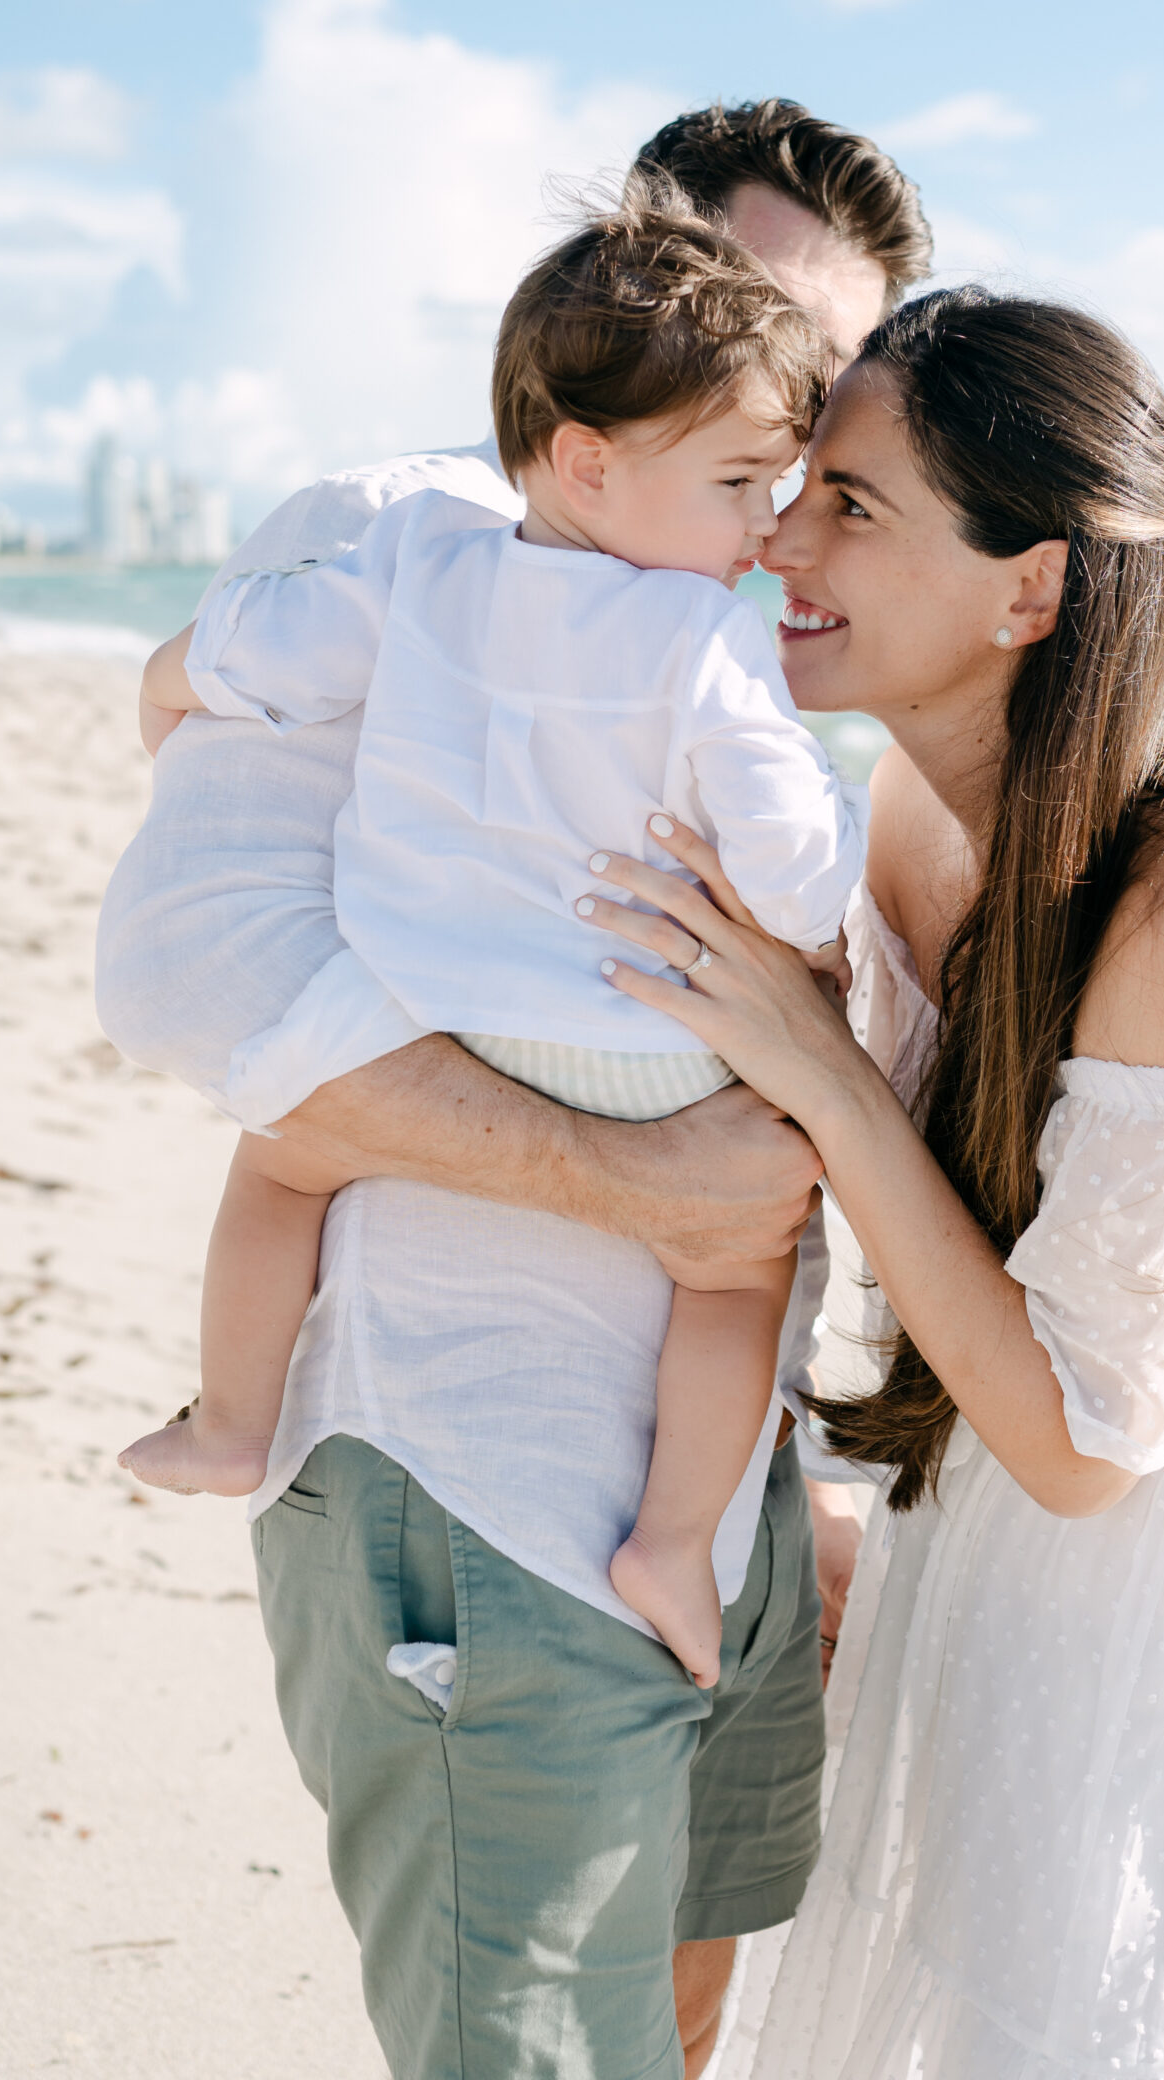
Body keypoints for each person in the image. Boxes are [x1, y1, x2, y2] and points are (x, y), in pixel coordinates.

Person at [93, 99, 929, 2080]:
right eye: (763, 346)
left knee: (680, 2018)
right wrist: (641, 1182)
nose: (797, 447)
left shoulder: (736, 597)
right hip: (475, 1472)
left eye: (833, 398)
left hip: (697, 1504)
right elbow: (193, 962)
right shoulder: (398, 535)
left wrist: (768, 1480)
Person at [575, 289, 1164, 2079]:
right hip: (964, 1553)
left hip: (1151, 1616)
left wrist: (814, 1065)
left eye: (855, 508)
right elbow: (908, 1230)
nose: (781, 538)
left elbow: (1087, 1443)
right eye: (797, 487)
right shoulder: (913, 806)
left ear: (1028, 590)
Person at [116, 197, 867, 1689]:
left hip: (433, 1001)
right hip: (642, 1043)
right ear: (593, 458)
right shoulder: (708, 640)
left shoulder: (416, 561)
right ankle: (671, 1537)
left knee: (279, 1166)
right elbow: (789, 872)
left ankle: (228, 1420)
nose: (766, 530)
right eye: (741, 483)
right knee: (731, 1279)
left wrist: (181, 680)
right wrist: (847, 871)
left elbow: (280, 656)